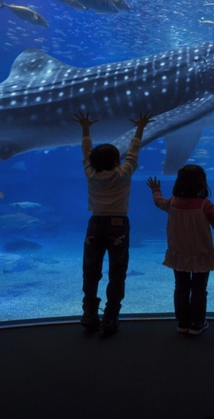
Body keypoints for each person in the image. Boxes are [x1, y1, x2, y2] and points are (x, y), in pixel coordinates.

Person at [74, 109, 153, 335]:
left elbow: (86, 151)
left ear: (92, 161)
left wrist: (85, 128)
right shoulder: (124, 173)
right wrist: (140, 127)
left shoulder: (90, 173)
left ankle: (89, 313)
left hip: (95, 224)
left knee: (91, 269)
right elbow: (133, 152)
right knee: (117, 271)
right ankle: (110, 317)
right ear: (117, 160)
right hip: (118, 224)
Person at [147, 166, 214, 335]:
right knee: (199, 289)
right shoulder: (206, 205)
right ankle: (197, 324)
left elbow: (158, 202)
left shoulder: (171, 203)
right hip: (201, 255)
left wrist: (156, 190)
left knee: (181, 288)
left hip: (179, 254)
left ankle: (182, 323)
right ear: (202, 183)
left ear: (179, 182)